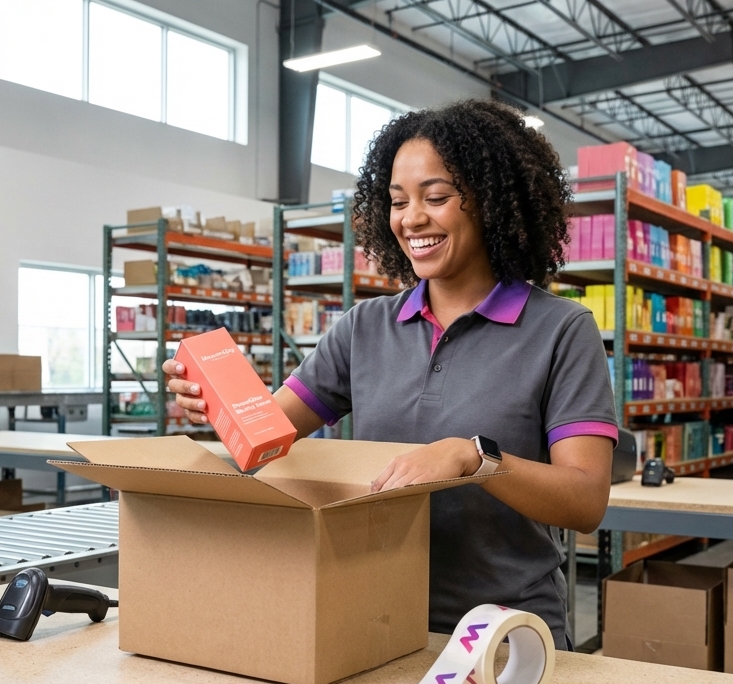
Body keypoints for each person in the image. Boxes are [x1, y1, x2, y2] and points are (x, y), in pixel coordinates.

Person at [166, 99, 616, 651]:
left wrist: (473, 458)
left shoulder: (561, 330)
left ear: (493, 202)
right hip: (375, 618)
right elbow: (264, 436)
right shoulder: (365, 328)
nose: (411, 219)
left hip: (505, 633)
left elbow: (585, 501)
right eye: (398, 202)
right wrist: (215, 401)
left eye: (437, 197)